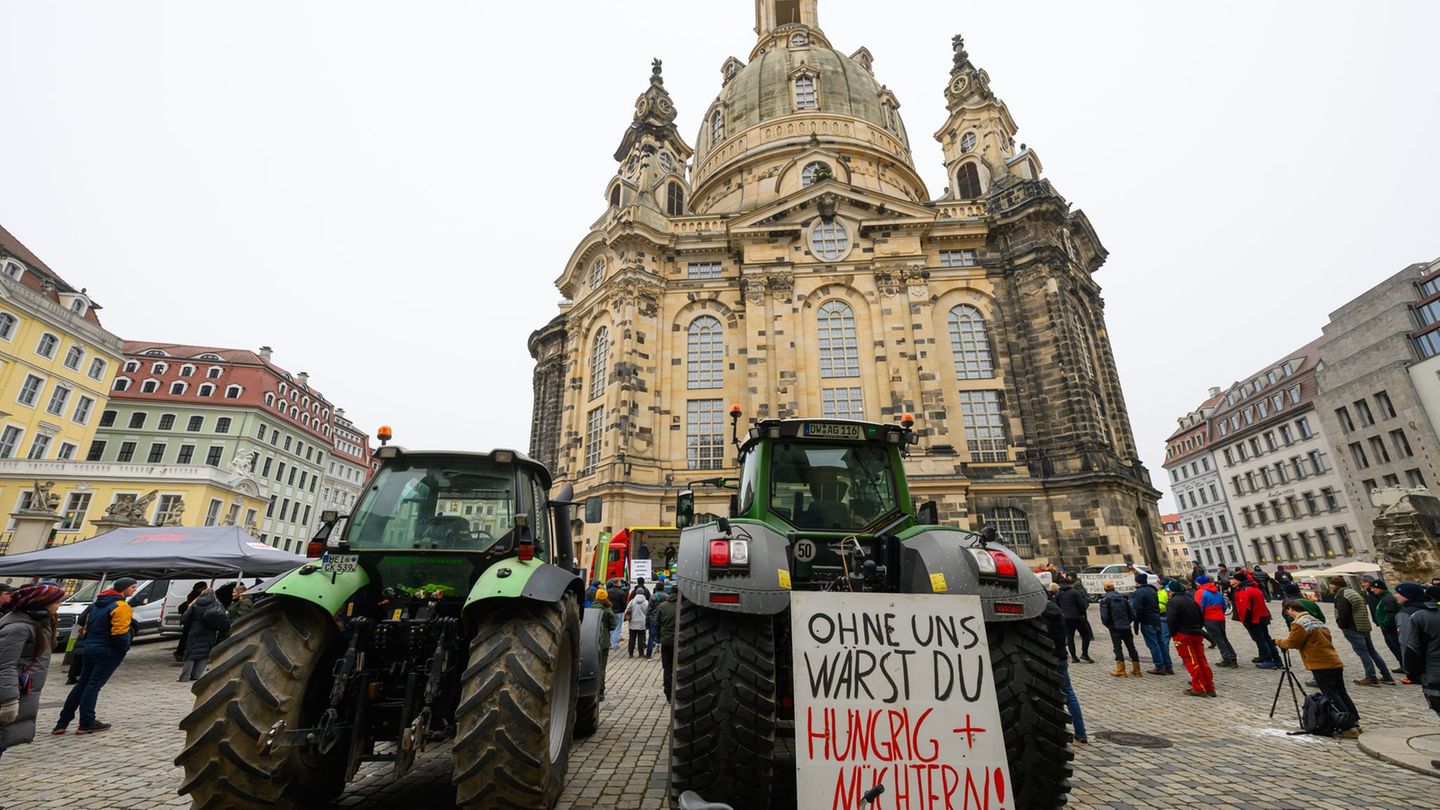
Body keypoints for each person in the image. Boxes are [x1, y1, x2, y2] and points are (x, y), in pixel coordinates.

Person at [54, 577, 138, 735]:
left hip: (90, 647)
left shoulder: (96, 604)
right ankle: (86, 722)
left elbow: (82, 622)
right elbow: (119, 632)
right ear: (124, 588)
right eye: (133, 587)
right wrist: (124, 648)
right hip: (108, 650)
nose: (134, 590)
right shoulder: (121, 606)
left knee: (82, 683)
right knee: (93, 686)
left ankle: (62, 722)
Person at [1274, 599, 1361, 737]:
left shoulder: (1299, 623)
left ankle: (1347, 726)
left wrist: (1277, 641)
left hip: (1320, 663)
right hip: (1333, 660)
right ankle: (1354, 721)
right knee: (1341, 692)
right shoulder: (1316, 621)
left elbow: (1292, 643)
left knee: (1331, 695)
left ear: (1290, 609)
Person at [0, 584, 65, 761]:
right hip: (10, 693)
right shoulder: (18, 628)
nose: (59, 605)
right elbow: (5, 665)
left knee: (4, 739)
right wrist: (8, 700)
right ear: (41, 603)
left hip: (21, 690)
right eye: (57, 601)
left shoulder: (38, 623)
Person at [1330, 576, 1395, 686]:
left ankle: (1371, 677)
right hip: (1363, 626)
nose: (1330, 586)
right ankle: (1386, 676)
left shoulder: (1342, 595)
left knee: (1363, 653)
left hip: (1353, 627)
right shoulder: (1352, 592)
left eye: (1331, 584)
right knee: (1372, 651)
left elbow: (1343, 612)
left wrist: (1342, 625)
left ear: (1336, 585)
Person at [1042, 594, 1087, 743]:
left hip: (1047, 658)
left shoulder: (1037, 613)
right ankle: (1081, 732)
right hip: (1061, 656)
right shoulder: (1056, 610)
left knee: (1046, 695)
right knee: (1069, 693)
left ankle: (1054, 731)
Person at [1397, 583, 1440, 722]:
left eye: (1398, 593)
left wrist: (1410, 670)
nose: (1395, 595)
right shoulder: (1434, 610)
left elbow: (1409, 646)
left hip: (1431, 669)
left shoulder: (1410, 615)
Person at [1166, 580, 1215, 697]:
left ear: (1172, 592)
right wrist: (1197, 628)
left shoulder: (1173, 602)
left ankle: (1198, 687)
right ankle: (1209, 686)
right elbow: (1201, 617)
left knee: (1191, 661)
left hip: (1183, 634)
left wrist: (1173, 633)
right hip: (1196, 633)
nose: (1167, 594)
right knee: (1201, 660)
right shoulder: (1191, 600)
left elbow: (1172, 620)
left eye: (1168, 591)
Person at [178, 588, 231, 682]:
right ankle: (196, 676)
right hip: (210, 632)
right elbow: (223, 617)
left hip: (194, 631)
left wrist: (192, 625)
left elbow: (185, 618)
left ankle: (184, 677)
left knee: (191, 653)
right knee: (204, 654)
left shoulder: (195, 604)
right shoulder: (217, 604)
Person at [1232, 571, 1279, 669]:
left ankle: (1268, 660)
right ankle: (1276, 659)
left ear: (1239, 580)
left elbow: (1246, 608)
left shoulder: (1245, 590)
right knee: (1266, 638)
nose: (1231, 581)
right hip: (1261, 616)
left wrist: (1245, 620)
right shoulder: (1253, 587)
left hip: (1254, 619)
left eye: (1233, 579)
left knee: (1261, 640)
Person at [1131, 573, 1173, 675]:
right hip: (1156, 619)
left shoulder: (1139, 592)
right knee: (1161, 643)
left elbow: (1137, 610)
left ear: (1138, 582)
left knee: (1153, 644)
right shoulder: (1153, 590)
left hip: (1147, 621)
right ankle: (1168, 666)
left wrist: (1135, 624)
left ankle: (1159, 666)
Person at [1099, 582, 1141, 678]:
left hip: (1114, 628)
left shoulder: (1105, 600)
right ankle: (1137, 670)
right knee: (1131, 647)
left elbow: (1104, 617)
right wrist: (1126, 622)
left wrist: (1109, 625)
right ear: (1114, 588)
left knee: (1117, 647)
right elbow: (1133, 615)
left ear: (1105, 589)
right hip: (1126, 627)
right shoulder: (1123, 600)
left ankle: (1121, 670)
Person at [1193, 575, 1236, 668]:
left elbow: (1199, 607)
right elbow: (1224, 606)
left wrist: (1198, 619)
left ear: (1199, 583)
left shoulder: (1200, 592)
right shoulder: (1216, 592)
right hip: (1220, 618)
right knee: (1223, 638)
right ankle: (1232, 656)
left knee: (1218, 639)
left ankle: (1227, 659)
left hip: (1209, 618)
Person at [1054, 577, 1094, 663]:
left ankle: (1074, 657)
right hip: (1076, 617)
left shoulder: (1058, 594)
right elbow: (1081, 605)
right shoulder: (1074, 592)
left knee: (1070, 637)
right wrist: (1083, 614)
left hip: (1065, 618)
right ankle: (1084, 654)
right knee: (1086, 635)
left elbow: (1056, 606)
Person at [173, 581, 207, 662]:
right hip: (191, 620)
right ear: (200, 588)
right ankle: (182, 653)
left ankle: (181, 653)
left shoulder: (193, 595)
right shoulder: (196, 596)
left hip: (190, 621)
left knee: (186, 637)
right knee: (187, 637)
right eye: (205, 587)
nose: (206, 589)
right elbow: (192, 607)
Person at [655, 588, 678, 701]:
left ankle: (668, 694)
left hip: (666, 641)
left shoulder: (663, 606)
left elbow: (657, 623)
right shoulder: (682, 606)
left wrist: (659, 638)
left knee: (667, 668)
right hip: (680, 642)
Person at [593, 590, 616, 701]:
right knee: (602, 667)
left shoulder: (591, 608)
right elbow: (613, 626)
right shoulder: (607, 610)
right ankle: (601, 691)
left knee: (593, 666)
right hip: (604, 642)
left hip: (592, 641)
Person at [625, 589, 649, 657]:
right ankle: (641, 653)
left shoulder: (632, 601)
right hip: (642, 622)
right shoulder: (646, 602)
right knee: (641, 639)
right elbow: (648, 612)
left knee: (632, 638)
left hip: (633, 622)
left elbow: (627, 610)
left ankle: (630, 653)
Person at [645, 591, 664, 659]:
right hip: (663, 619)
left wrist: (647, 621)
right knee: (664, 637)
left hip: (654, 619)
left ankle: (648, 655)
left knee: (651, 637)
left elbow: (649, 610)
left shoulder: (653, 596)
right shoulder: (667, 596)